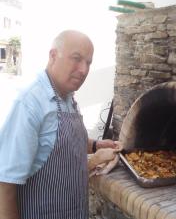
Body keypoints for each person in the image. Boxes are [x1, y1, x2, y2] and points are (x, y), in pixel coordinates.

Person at [0, 30, 121, 219]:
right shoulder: (31, 104)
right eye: (76, 58)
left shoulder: (67, 97)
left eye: (88, 62)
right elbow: (5, 185)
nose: (83, 70)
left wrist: (96, 145)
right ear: (53, 55)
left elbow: (59, 142)